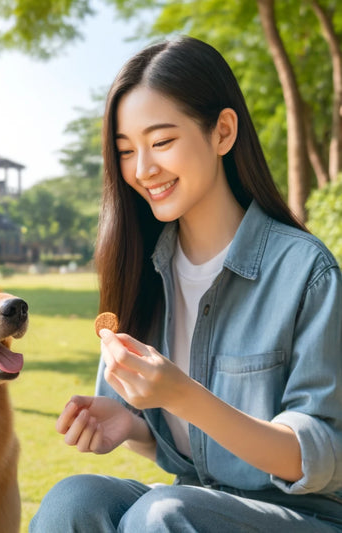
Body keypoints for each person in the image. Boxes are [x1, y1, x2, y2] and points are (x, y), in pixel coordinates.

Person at [30, 36, 342, 532]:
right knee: (74, 498)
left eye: (161, 142)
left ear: (222, 131)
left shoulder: (306, 271)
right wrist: (133, 424)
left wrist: (181, 395)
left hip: (308, 516)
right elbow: (185, 454)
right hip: (197, 503)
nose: (142, 169)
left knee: (164, 515)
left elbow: (322, 460)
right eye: (126, 150)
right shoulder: (142, 268)